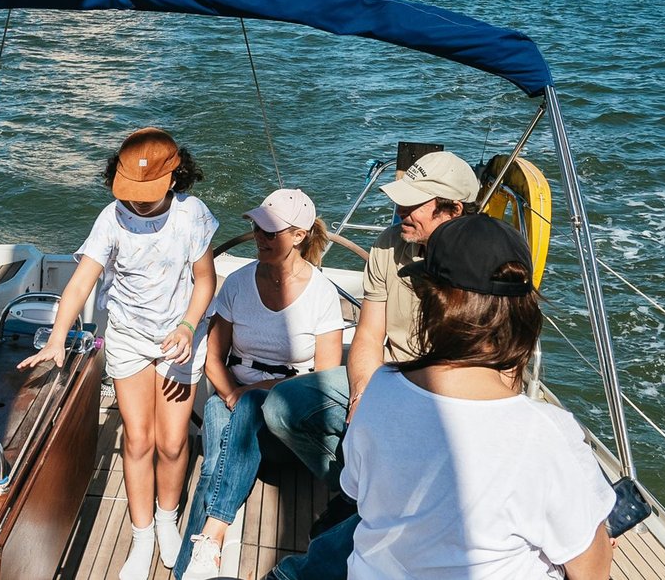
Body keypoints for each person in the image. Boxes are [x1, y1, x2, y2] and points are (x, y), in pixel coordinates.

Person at [337, 213, 614, 579]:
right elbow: (590, 571)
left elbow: (355, 489)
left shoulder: (381, 388)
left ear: (430, 304)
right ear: (522, 314)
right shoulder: (546, 433)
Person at [18, 127, 218, 580]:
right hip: (128, 335)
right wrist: (56, 339)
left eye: (148, 193)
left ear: (175, 177)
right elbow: (81, 282)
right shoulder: (111, 218)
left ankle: (167, 518)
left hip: (178, 338)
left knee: (172, 442)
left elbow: (205, 280)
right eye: (131, 192)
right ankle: (142, 532)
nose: (138, 202)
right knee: (138, 438)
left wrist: (188, 326)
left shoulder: (193, 216)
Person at [262, 151, 479, 509]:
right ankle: (359, 490)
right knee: (282, 408)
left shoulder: (483, 262)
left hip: (448, 394)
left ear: (452, 210)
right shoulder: (388, 244)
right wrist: (364, 397)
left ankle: (367, 501)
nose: (400, 213)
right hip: (388, 376)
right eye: (400, 202)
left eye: (412, 205)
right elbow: (367, 335)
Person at [177, 189, 344, 580]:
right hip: (232, 398)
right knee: (223, 439)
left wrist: (258, 392)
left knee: (223, 446)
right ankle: (204, 552)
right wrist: (235, 393)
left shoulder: (322, 295)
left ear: (300, 235)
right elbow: (214, 359)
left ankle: (202, 549)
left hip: (287, 424)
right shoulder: (236, 283)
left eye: (271, 232)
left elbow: (324, 383)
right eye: (257, 228)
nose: (259, 238)